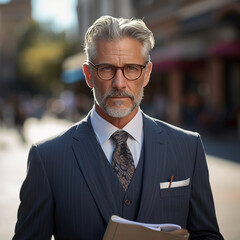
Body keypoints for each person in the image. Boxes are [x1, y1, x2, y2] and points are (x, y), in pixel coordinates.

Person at [13, 16, 223, 240]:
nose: (119, 83)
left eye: (131, 68)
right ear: (88, 75)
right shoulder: (47, 158)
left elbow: (207, 234)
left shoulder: (188, 147)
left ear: (147, 74)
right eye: (106, 69)